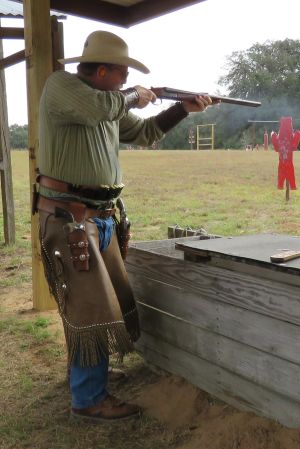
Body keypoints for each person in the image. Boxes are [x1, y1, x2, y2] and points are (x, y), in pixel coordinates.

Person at [34, 30, 215, 422]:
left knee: (99, 303)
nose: (125, 81)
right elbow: (99, 107)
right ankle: (88, 399)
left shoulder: (108, 105)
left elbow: (146, 132)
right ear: (102, 71)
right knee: (90, 308)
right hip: (70, 220)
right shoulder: (64, 87)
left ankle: (88, 377)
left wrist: (182, 109)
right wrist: (136, 95)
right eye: (122, 74)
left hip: (98, 218)